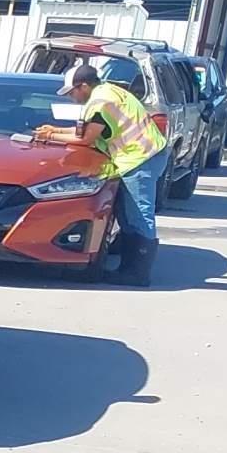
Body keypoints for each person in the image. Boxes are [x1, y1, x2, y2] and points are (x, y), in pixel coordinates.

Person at [38, 61, 169, 286]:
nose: (72, 97)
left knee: (139, 214)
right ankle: (129, 269)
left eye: (72, 92)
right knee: (131, 215)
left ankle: (138, 273)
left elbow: (86, 138)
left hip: (139, 157)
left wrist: (48, 137)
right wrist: (56, 130)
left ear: (83, 86)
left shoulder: (99, 103)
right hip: (144, 154)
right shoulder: (109, 91)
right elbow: (87, 131)